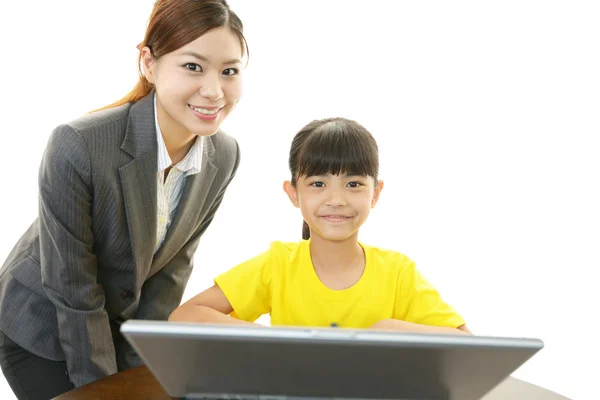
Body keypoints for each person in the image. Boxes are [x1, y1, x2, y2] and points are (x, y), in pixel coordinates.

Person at [0, 0, 247, 398]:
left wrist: (142, 371)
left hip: (116, 325)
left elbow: (169, 276)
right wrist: (106, 391)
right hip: (42, 324)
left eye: (229, 71)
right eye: (193, 66)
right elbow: (73, 289)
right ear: (148, 63)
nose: (214, 91)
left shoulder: (224, 155)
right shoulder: (78, 144)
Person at [169, 118, 471, 335]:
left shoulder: (397, 272)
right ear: (294, 193)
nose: (336, 199)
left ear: (375, 193)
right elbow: (184, 317)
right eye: (318, 183)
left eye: (353, 184)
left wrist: (388, 330)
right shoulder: (278, 265)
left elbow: (465, 343)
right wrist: (270, 340)